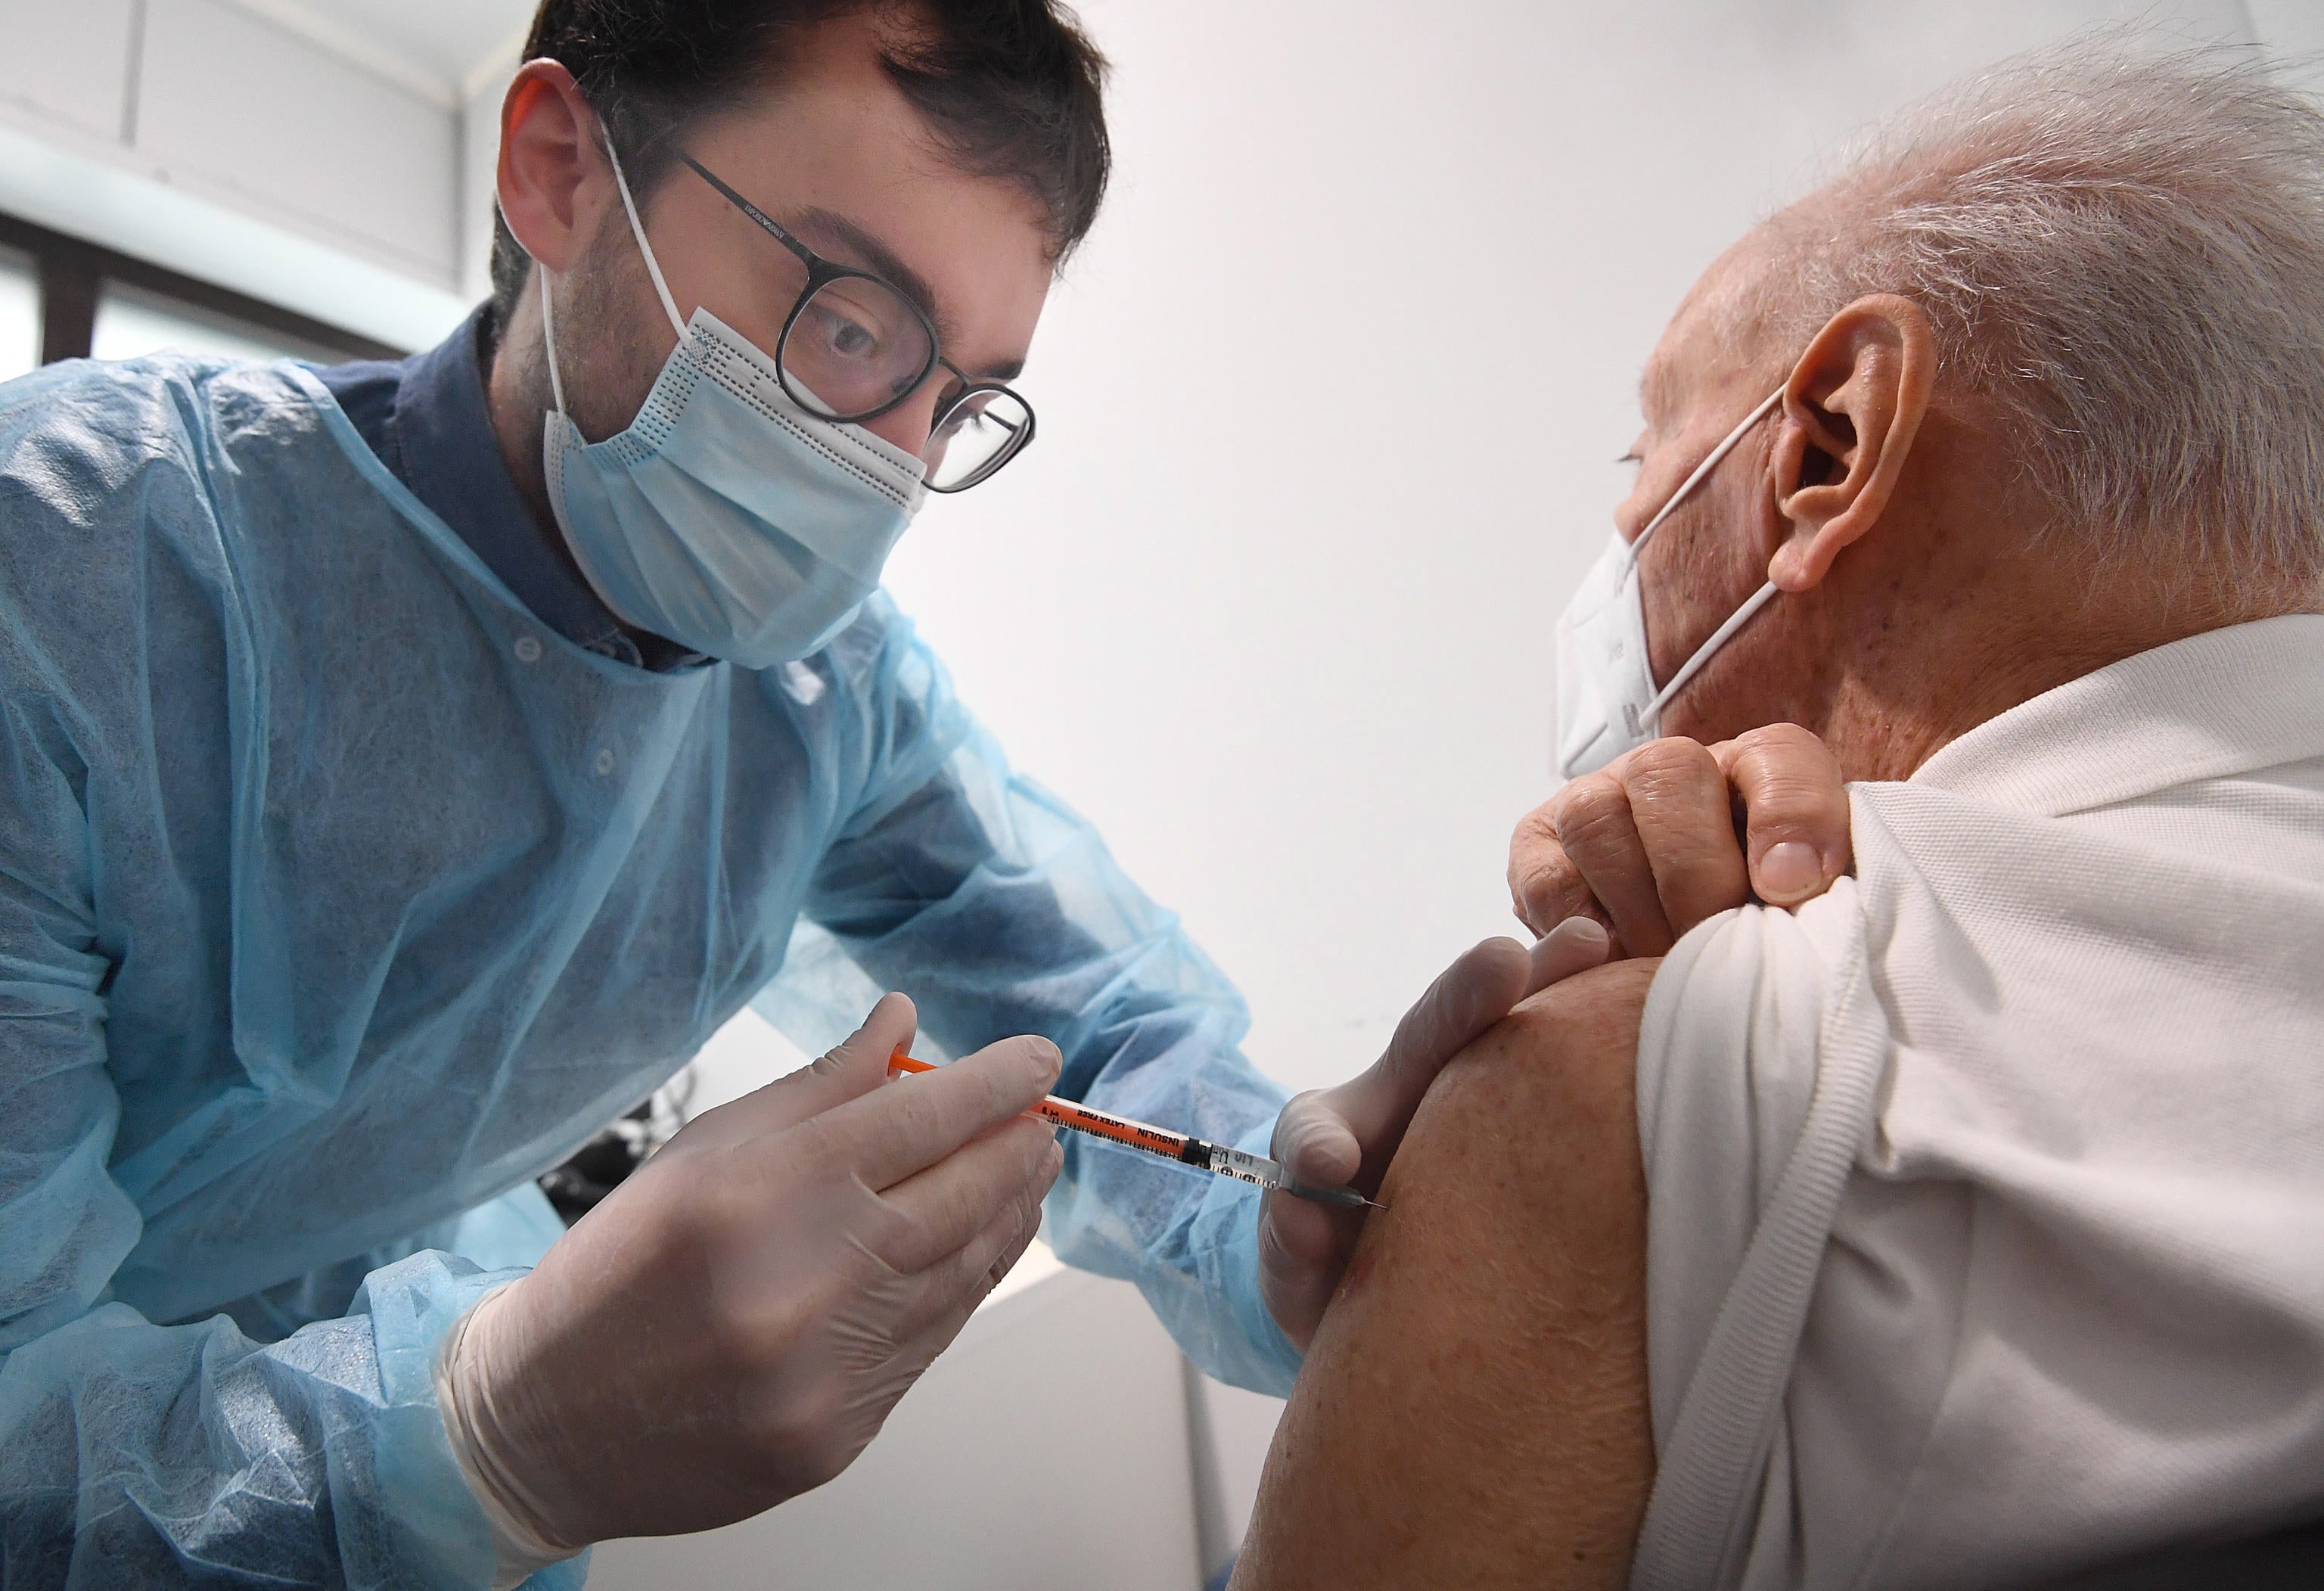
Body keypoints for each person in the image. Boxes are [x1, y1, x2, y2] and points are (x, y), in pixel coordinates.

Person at [0, 2, 1847, 1584]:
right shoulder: (86, 579)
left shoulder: (821, 707)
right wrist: (472, 1433)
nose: (888, 466)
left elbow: (1106, 1044)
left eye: (957, 401)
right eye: (850, 321)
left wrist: (1271, 1210)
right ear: (563, 170)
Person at [1229, 39, 2324, 1591]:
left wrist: (1527, 1125)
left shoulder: (1640, 1085)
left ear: (1826, 448)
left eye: (1642, 459)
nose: (1617, 541)